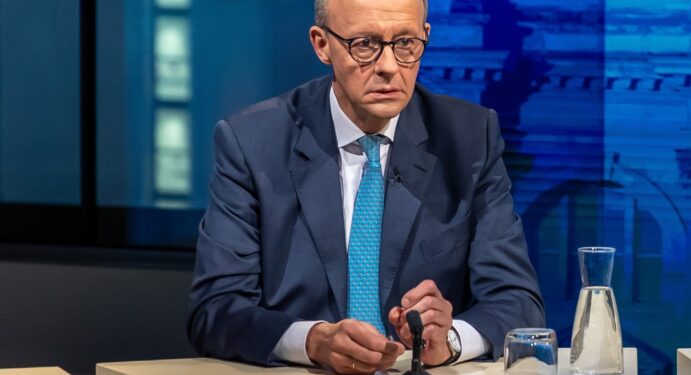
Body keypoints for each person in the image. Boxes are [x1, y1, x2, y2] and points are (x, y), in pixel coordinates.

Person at [187, 0, 545, 373]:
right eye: (365, 44)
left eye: (405, 43)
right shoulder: (253, 143)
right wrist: (313, 341)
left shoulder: (470, 140)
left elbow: (518, 301)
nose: (389, 67)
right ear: (322, 44)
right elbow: (216, 309)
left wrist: (450, 340)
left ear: (425, 37)